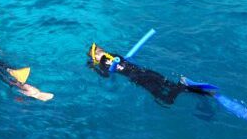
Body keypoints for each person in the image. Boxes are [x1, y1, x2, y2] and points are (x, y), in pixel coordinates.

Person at [86, 43, 214, 105]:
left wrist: (94, 68)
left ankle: (183, 86)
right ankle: (199, 91)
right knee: (170, 86)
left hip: (137, 78)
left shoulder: (103, 64)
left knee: (166, 100)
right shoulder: (114, 54)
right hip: (144, 71)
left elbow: (106, 75)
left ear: (95, 58)